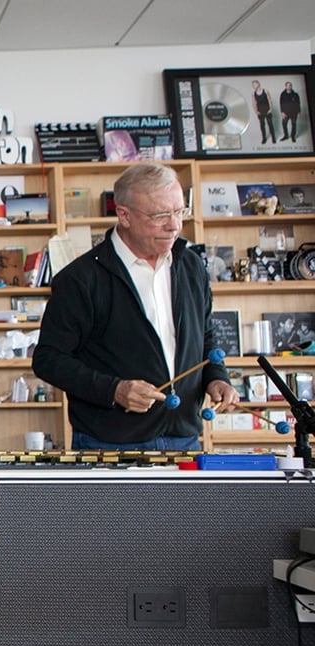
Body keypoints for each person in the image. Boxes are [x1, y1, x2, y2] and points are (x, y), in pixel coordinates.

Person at [32, 162, 239, 450]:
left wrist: (217, 379)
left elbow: (205, 337)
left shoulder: (191, 265)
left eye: (179, 211)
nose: (174, 225)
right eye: (160, 215)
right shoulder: (81, 278)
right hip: (108, 443)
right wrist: (114, 390)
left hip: (185, 438)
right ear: (124, 215)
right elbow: (49, 359)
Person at [252, 80, 276, 145]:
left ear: (258, 84)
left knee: (270, 124)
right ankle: (264, 138)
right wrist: (256, 111)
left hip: (267, 110)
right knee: (262, 126)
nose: (253, 86)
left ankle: (273, 138)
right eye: (252, 85)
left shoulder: (265, 90)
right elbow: (254, 103)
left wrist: (271, 109)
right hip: (260, 112)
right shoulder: (253, 93)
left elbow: (270, 100)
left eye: (254, 84)